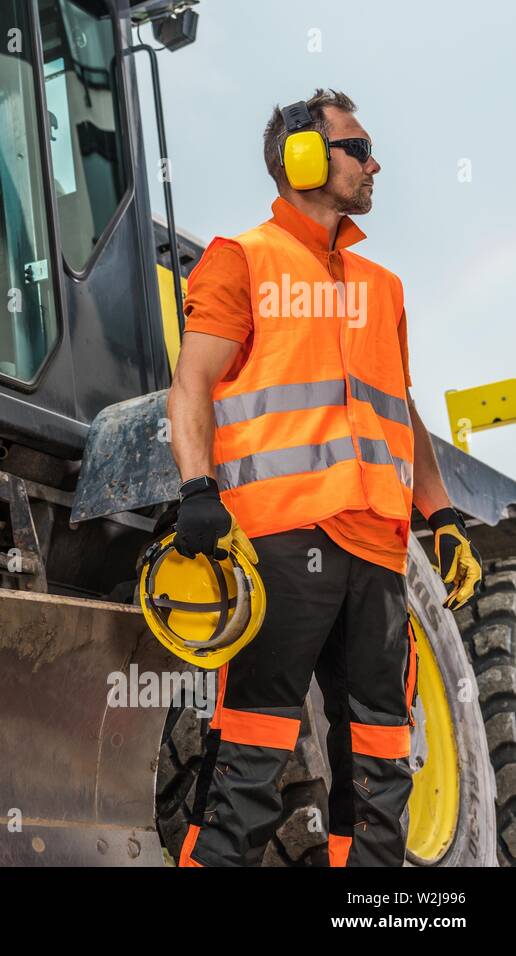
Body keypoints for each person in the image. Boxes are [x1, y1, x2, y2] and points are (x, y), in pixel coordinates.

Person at [166, 88, 483, 867]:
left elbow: (400, 415)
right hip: (281, 547)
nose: (375, 163)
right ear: (303, 157)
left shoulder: (384, 289)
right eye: (359, 147)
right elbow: (191, 385)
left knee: (382, 767)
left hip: (377, 557)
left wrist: (440, 518)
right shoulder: (241, 260)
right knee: (250, 761)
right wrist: (197, 491)